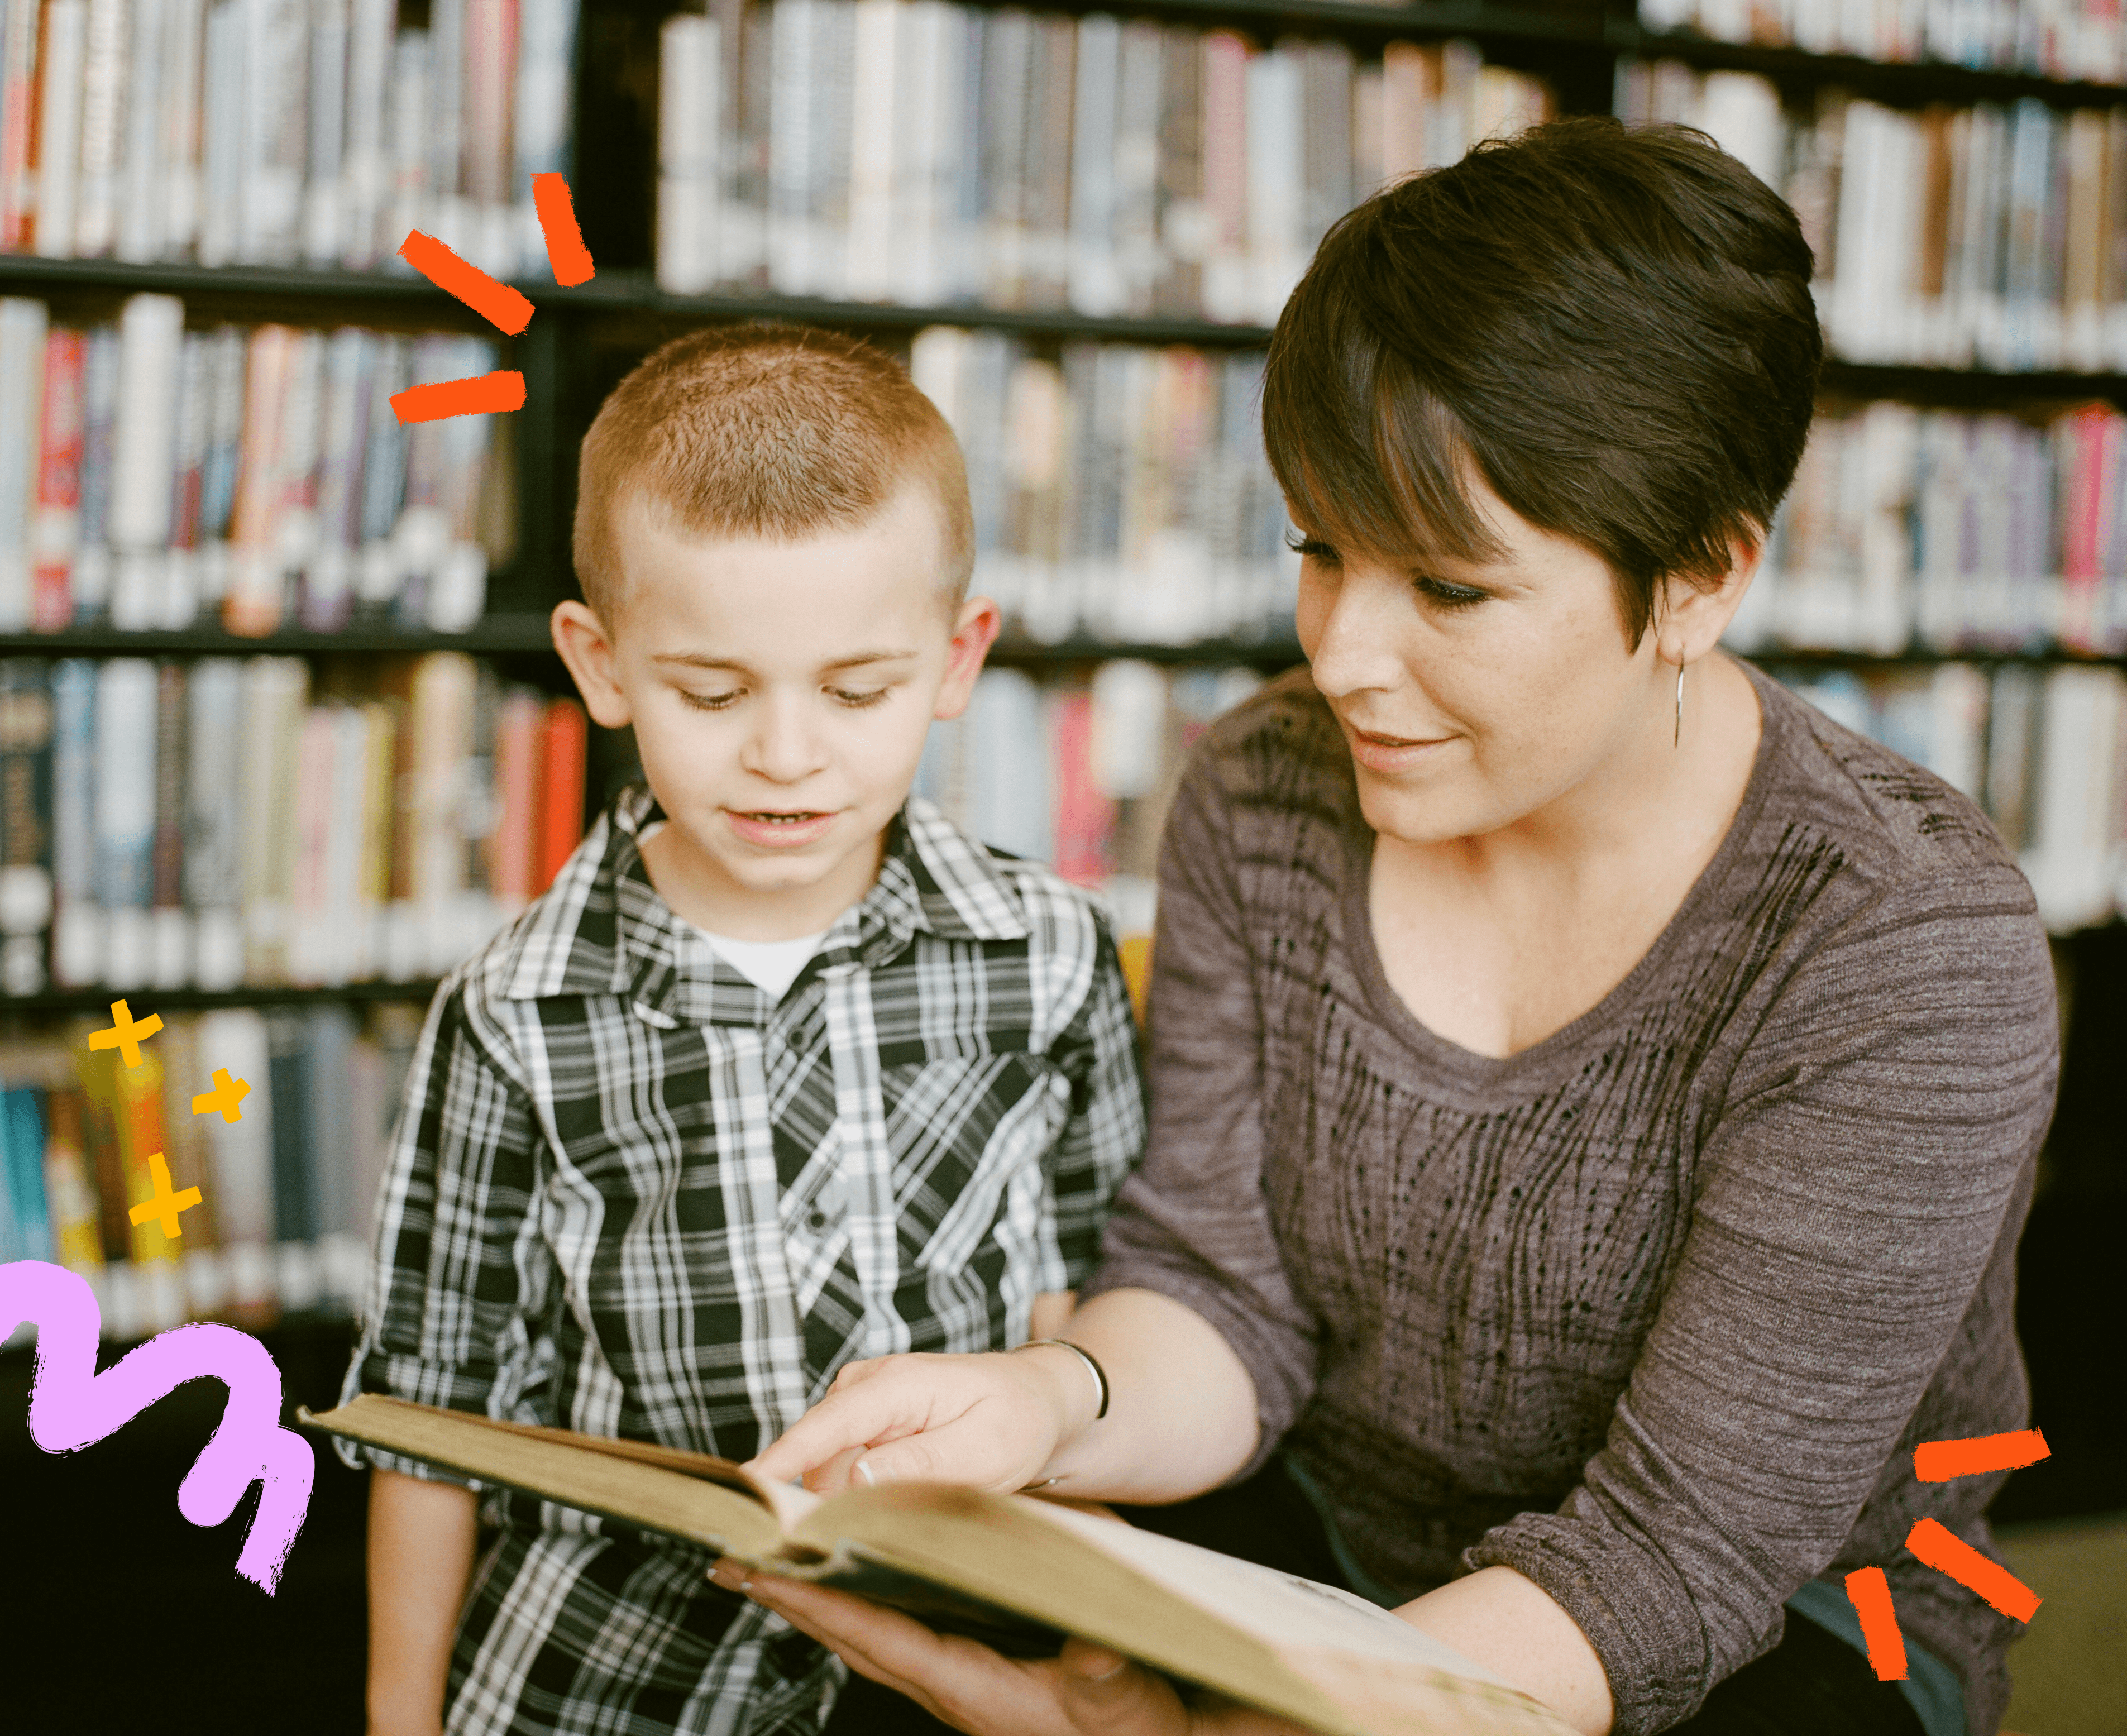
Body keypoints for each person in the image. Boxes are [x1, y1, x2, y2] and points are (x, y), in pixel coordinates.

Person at [730, 120, 2061, 1736]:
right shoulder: (1267, 786)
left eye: (1448, 589)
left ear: (1701, 580)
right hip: (1330, 1539)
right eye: (1321, 548)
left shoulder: (1903, 941)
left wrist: (1224, 1727)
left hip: (1789, 1616)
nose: (1344, 652)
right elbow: (1223, 1293)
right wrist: (1045, 1400)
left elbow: (1675, 1557)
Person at [338, 325, 1146, 1736]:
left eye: (856, 689)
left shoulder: (1049, 953)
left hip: (967, 1656)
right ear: (599, 667)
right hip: (612, 1672)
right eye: (713, 694)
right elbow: (427, 1412)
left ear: (958, 660)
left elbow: (1094, 1298)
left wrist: (1103, 1626)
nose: (785, 754)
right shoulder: (517, 1011)